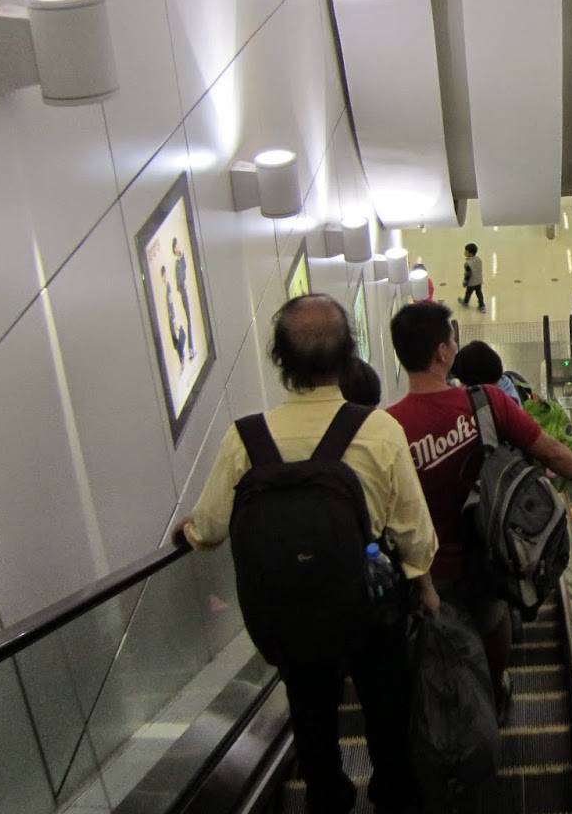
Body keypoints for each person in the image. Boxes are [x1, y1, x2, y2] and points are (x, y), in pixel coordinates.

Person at [175, 294, 439, 814]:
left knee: (311, 713)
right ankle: (393, 795)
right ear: (348, 354)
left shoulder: (245, 438)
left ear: (280, 358)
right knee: (387, 711)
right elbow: (414, 531)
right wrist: (424, 586)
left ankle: (328, 796)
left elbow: (208, 529)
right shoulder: (379, 430)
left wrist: (188, 532)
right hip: (369, 608)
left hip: (288, 613)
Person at [387, 301, 572, 722]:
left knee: (438, 642)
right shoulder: (486, 402)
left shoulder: (389, 427)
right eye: (452, 340)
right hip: (487, 554)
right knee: (493, 620)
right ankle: (496, 688)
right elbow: (549, 450)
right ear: (442, 352)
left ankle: (452, 711)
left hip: (424, 568)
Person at [172, 237, 196, 359]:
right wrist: (183, 286)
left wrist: (182, 255)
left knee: (189, 320)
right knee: (189, 321)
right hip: (183, 292)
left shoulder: (180, 261)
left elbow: (185, 266)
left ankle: (191, 348)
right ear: (175, 249)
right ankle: (191, 349)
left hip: (184, 291)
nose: (179, 247)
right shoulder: (177, 264)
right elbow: (180, 281)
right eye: (177, 246)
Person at [460, 242, 485, 311]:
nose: (464, 252)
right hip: (479, 281)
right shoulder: (479, 259)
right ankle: (482, 305)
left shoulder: (467, 264)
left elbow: (467, 275)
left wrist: (465, 283)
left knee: (468, 293)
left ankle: (465, 302)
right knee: (479, 293)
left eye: (466, 251)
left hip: (471, 283)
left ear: (470, 254)